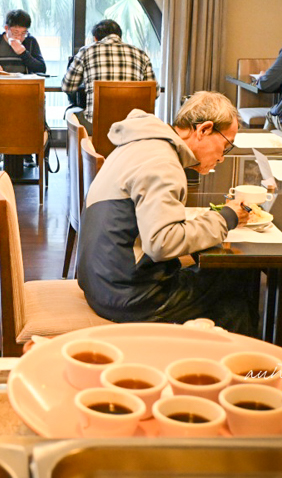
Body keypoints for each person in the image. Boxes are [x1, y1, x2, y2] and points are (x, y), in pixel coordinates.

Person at [76, 91, 259, 335]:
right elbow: (161, 243)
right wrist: (226, 218)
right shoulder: (162, 162)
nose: (222, 158)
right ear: (204, 129)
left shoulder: (142, 143)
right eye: (225, 146)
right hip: (128, 295)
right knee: (237, 288)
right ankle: (237, 359)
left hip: (101, 281)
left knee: (224, 279)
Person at [61, 19, 156, 129]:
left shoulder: (86, 52)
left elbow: (67, 87)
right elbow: (154, 93)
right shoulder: (141, 54)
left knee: (71, 115)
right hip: (132, 126)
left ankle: (82, 141)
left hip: (96, 125)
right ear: (119, 36)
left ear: (95, 38)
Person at [0, 9, 46, 126]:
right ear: (6, 28)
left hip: (24, 96)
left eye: (24, 33)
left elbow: (41, 69)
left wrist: (23, 53)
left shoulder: (30, 42)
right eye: (16, 32)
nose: (20, 37)